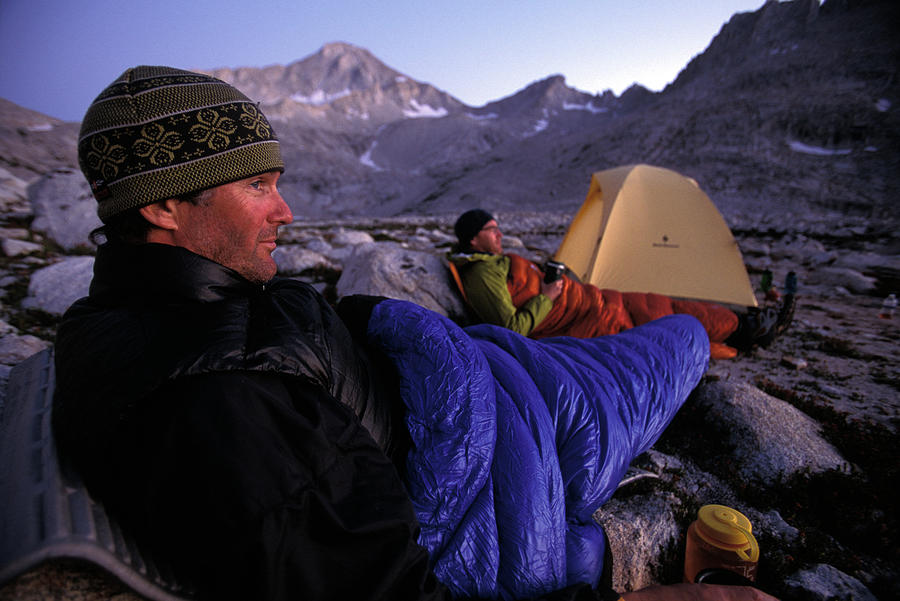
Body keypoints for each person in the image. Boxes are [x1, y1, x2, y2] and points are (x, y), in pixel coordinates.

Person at [51, 66, 776, 601]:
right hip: (510, 431)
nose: (287, 210)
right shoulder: (223, 409)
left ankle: (736, 324)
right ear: (164, 209)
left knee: (648, 333)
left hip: (480, 381)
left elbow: (294, 347)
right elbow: (388, 586)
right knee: (677, 338)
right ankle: (741, 326)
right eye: (258, 186)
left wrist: (380, 320)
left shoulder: (147, 310)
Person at [449, 209, 792, 357]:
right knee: (663, 321)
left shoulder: (493, 262)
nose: (500, 234)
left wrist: (553, 279)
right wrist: (549, 296)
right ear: (473, 240)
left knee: (659, 304)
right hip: (584, 319)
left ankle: (746, 325)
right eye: (492, 230)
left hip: (588, 298)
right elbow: (512, 328)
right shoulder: (480, 274)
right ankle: (747, 330)